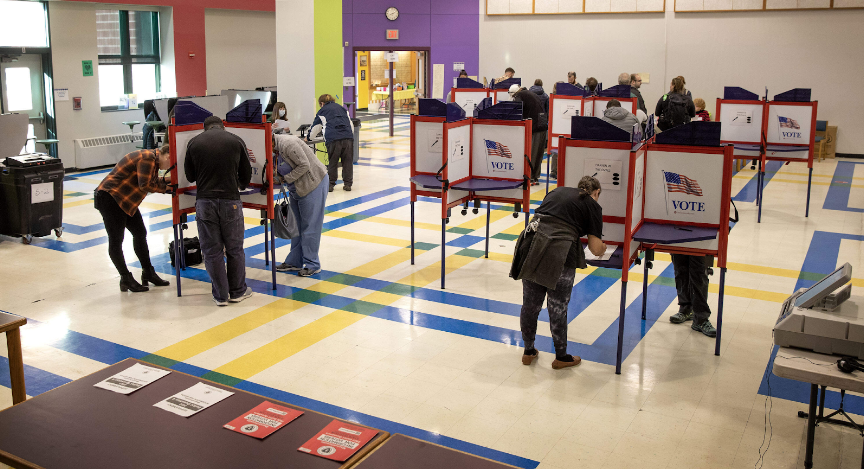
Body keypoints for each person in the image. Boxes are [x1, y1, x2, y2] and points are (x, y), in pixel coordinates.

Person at [511, 176, 606, 369]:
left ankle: (528, 352)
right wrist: (603, 247)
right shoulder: (593, 205)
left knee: (530, 305)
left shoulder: (558, 191)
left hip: (531, 245)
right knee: (557, 306)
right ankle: (561, 357)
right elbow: (596, 249)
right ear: (596, 193)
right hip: (560, 252)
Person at [185, 116, 253, 306]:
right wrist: (237, 184)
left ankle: (220, 295)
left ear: (204, 127)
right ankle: (238, 291)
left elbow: (189, 175)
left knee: (212, 251)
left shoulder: (194, 143)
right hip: (230, 200)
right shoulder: (235, 140)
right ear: (223, 126)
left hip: (205, 201)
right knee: (234, 249)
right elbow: (246, 175)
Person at [95, 146, 172, 293]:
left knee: (140, 233)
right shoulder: (148, 158)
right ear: (167, 157)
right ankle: (125, 278)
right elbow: (146, 185)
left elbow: (152, 180)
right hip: (110, 198)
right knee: (116, 240)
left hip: (125, 200)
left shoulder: (153, 160)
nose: (169, 167)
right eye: (171, 164)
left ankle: (148, 272)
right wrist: (168, 189)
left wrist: (169, 181)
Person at [274, 134, 329, 277]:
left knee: (310, 226)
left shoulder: (288, 144)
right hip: (296, 188)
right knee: (296, 226)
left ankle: (312, 264)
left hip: (313, 184)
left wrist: (285, 178)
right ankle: (294, 261)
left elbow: (305, 165)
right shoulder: (273, 149)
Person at [310, 94, 354, 192]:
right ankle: (348, 184)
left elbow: (315, 127)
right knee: (347, 162)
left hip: (333, 138)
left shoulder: (322, 111)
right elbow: (350, 124)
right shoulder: (342, 109)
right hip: (348, 137)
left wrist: (308, 138)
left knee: (333, 162)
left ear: (322, 103)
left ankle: (331, 185)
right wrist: (349, 136)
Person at [669, 254, 717, 337]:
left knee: (699, 274)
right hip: (678, 242)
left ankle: (701, 318)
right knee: (680, 269)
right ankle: (686, 309)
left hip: (701, 242)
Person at [511, 84, 547, 186]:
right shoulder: (531, 94)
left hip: (534, 127)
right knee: (539, 154)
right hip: (543, 126)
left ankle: (530, 177)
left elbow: (516, 110)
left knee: (531, 153)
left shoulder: (520, 95)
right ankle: (535, 177)